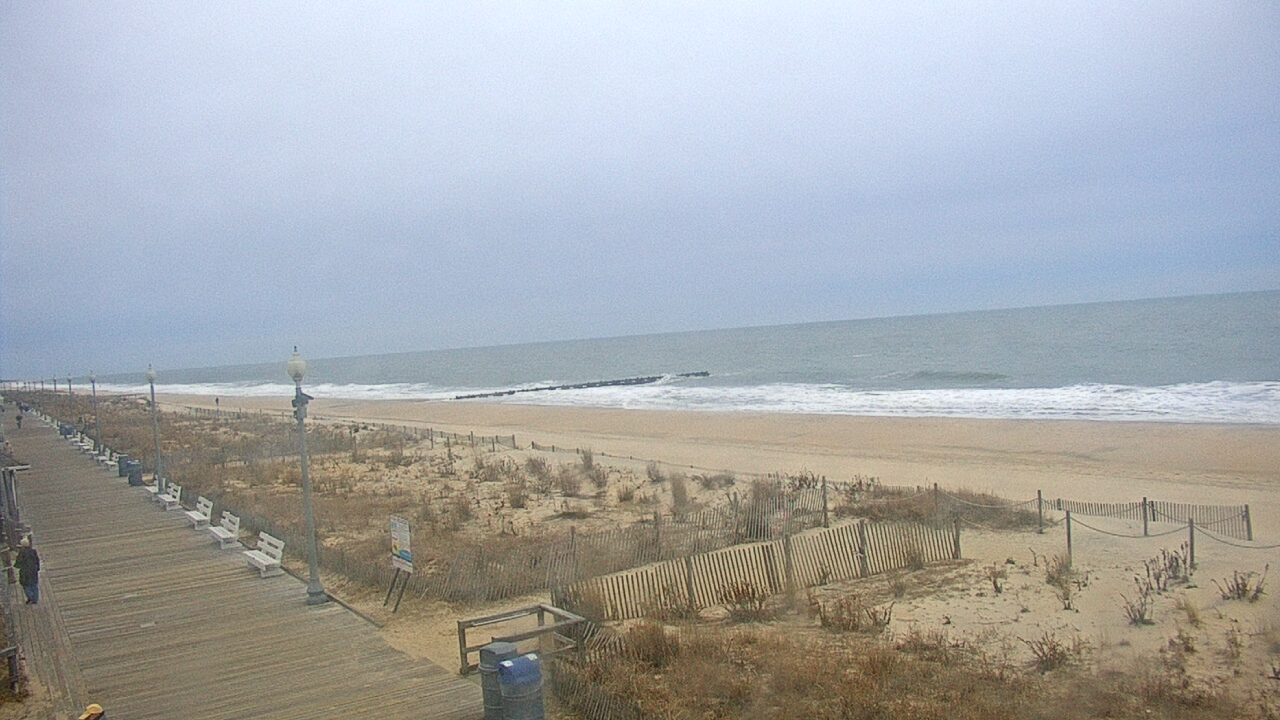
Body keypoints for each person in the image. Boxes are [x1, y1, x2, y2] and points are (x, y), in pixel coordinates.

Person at [14, 536, 39, 604]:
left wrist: (16, 565)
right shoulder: (33, 551)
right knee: (34, 585)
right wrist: (37, 568)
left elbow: (18, 563)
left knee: (26, 585)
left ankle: (30, 596)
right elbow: (37, 560)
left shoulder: (21, 553)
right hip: (33, 570)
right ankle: (35, 599)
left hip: (25, 571)